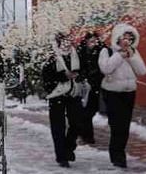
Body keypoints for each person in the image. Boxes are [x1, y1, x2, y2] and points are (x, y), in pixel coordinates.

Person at [98, 23, 146, 168]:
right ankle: (117, 155)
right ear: (117, 38)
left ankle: (120, 152)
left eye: (130, 38)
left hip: (129, 92)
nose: (127, 41)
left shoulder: (134, 52)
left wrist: (131, 57)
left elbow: (142, 71)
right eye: (124, 37)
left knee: (124, 126)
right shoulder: (107, 51)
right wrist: (120, 55)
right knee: (116, 125)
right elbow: (106, 68)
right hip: (112, 92)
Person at [41, 34, 84, 167]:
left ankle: (68, 148)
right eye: (64, 42)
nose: (67, 44)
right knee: (58, 127)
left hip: (74, 93)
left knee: (77, 123)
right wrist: (63, 76)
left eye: (69, 41)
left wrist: (78, 76)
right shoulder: (52, 58)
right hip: (57, 95)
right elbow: (47, 79)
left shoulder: (77, 55)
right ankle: (61, 156)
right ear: (59, 43)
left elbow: (85, 71)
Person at [77, 31, 104, 144]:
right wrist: (83, 77)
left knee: (90, 111)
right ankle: (87, 135)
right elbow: (78, 67)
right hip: (83, 86)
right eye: (91, 41)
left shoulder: (102, 51)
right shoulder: (81, 51)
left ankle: (85, 134)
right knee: (84, 111)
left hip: (96, 85)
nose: (93, 43)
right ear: (86, 41)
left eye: (95, 41)